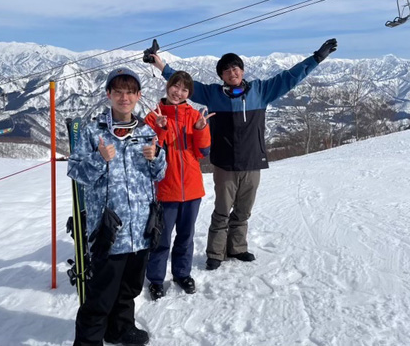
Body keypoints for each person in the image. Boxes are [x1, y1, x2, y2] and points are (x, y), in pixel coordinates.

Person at [149, 39, 338, 271]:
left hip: (252, 162)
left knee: (243, 211)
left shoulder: (261, 91)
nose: (232, 72)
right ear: (221, 76)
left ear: (243, 70)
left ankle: (237, 247)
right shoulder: (213, 94)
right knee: (221, 211)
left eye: (236, 67)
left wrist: (316, 58)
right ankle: (215, 253)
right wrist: (161, 65)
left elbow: (290, 77)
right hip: (224, 164)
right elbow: (184, 85)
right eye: (227, 70)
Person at [67, 67, 167, 346]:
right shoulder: (93, 132)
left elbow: (158, 174)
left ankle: (120, 329)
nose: (125, 97)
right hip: (109, 231)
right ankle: (88, 341)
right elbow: (76, 173)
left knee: (130, 289)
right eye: (119, 92)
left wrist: (156, 158)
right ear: (108, 94)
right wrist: (100, 159)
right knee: (101, 294)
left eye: (130, 92)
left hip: (141, 228)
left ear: (138, 96)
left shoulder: (147, 132)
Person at [144, 70, 213, 301]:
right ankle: (155, 279)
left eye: (185, 89)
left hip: (192, 189)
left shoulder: (194, 116)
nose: (179, 92)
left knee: (186, 236)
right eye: (176, 86)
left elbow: (203, 152)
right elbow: (151, 154)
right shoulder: (153, 116)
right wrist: (161, 128)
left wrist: (202, 129)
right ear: (168, 86)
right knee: (161, 238)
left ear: (189, 94)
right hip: (165, 189)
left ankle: (182, 274)